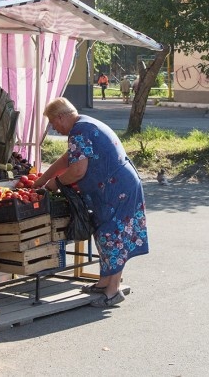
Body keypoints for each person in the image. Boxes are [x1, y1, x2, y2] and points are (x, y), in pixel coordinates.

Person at [34, 97, 148, 308]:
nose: (53, 128)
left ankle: (112, 292)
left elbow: (78, 170)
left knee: (112, 235)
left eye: (53, 122)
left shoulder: (79, 131)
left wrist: (54, 184)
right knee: (104, 232)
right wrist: (40, 181)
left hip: (117, 189)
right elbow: (67, 160)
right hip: (117, 187)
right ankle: (104, 283)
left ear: (61, 117)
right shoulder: (84, 125)